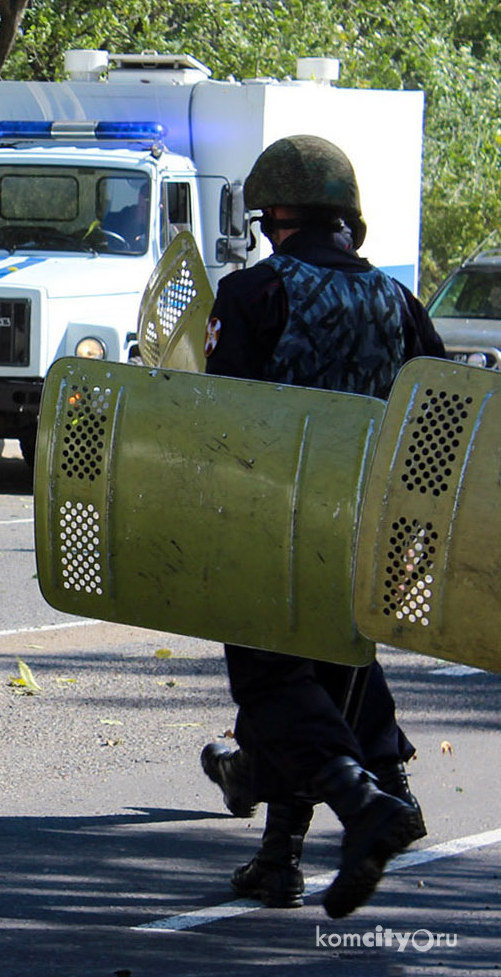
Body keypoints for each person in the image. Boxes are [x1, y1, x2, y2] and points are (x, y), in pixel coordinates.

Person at [196, 134, 442, 917]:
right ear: (348, 219)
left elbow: (220, 416)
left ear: (277, 215)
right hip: (365, 533)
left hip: (273, 522)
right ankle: (278, 860)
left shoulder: (254, 293)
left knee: (271, 684)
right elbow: (438, 417)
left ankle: (365, 801)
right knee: (321, 690)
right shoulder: (400, 303)